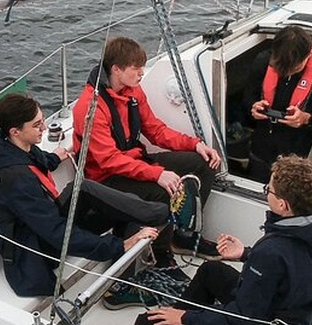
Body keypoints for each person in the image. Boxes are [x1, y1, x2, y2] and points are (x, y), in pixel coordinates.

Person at [0, 92, 167, 297]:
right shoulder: (16, 179)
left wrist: (53, 158)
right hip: (37, 248)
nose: (44, 128)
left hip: (41, 225)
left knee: (105, 198)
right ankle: (158, 217)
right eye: (37, 125)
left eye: (43, 120)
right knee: (87, 190)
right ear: (15, 131)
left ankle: (151, 219)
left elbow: (33, 160)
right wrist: (118, 246)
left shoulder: (7, 146)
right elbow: (56, 232)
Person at [136, 155, 312, 325]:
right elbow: (298, 266)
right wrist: (245, 254)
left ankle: (171, 320)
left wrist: (186, 319)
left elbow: (243, 318)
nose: (266, 192)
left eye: (268, 190)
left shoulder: (272, 251)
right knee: (211, 270)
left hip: (267, 319)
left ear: (282, 205)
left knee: (146, 322)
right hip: (301, 312)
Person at [72, 37, 222, 265]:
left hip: (136, 161)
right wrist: (157, 174)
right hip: (108, 179)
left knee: (202, 163)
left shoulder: (133, 92)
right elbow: (109, 161)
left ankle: (183, 235)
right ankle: (163, 257)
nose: (142, 73)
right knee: (165, 193)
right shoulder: (90, 107)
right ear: (116, 69)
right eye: (136, 68)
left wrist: (195, 144)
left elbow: (155, 130)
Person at [244, 26, 312, 182]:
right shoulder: (262, 61)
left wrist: (307, 119)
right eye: (280, 68)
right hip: (262, 149)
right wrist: (253, 107)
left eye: (294, 68)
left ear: (308, 55)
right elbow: (247, 97)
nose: (287, 73)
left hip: (300, 157)